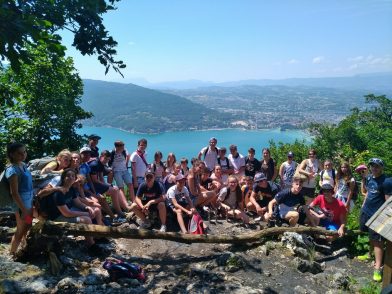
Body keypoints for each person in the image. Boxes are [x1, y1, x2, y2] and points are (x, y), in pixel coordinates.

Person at [38, 168, 101, 253]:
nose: (71, 178)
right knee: (86, 219)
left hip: (68, 211)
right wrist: (86, 214)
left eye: (73, 176)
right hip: (58, 217)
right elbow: (67, 213)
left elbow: (78, 203)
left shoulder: (71, 189)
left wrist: (87, 208)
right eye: (68, 176)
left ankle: (97, 236)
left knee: (96, 210)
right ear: (63, 178)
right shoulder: (58, 193)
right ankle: (90, 244)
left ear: (75, 178)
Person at [359, 158, 392, 282]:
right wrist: (363, 205)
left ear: (382, 167)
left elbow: (388, 202)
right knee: (369, 235)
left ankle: (378, 268)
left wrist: (387, 218)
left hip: (377, 215)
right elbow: (368, 192)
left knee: (378, 241)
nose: (374, 168)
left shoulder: (386, 182)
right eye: (372, 166)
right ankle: (369, 254)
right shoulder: (369, 178)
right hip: (366, 211)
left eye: (377, 166)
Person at [5, 143, 34, 256]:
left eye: (24, 152)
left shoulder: (23, 165)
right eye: (19, 153)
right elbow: (14, 193)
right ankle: (12, 254)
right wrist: (24, 210)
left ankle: (23, 248)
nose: (23, 155)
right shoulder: (12, 170)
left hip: (28, 201)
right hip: (21, 205)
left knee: (28, 225)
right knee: (20, 229)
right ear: (12, 154)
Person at [89, 150, 129, 220]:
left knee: (116, 188)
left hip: (97, 184)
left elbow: (101, 177)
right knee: (114, 190)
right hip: (92, 185)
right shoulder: (94, 164)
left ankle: (122, 209)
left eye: (108, 159)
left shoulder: (101, 163)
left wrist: (107, 185)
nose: (106, 161)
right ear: (101, 156)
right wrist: (107, 186)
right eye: (105, 159)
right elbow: (95, 180)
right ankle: (119, 212)